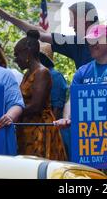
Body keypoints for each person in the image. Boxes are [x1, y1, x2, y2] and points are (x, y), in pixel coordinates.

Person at [54, 24, 107, 178]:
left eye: (96, 40)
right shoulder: (82, 71)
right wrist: (67, 118)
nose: (92, 44)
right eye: (90, 41)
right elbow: (72, 100)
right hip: (89, 140)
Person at [0, 1, 107, 77]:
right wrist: (9, 18)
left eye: (72, 19)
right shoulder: (75, 43)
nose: (70, 24)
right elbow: (40, 33)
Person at [14, 30, 67, 161]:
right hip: (26, 127)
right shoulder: (27, 74)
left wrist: (12, 113)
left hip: (39, 129)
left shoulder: (42, 72)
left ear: (27, 52)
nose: (15, 60)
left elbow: (36, 106)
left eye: (17, 55)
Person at [38, 42, 68, 120]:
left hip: (52, 127)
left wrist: (52, 128)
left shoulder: (55, 76)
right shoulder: (35, 75)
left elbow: (57, 107)